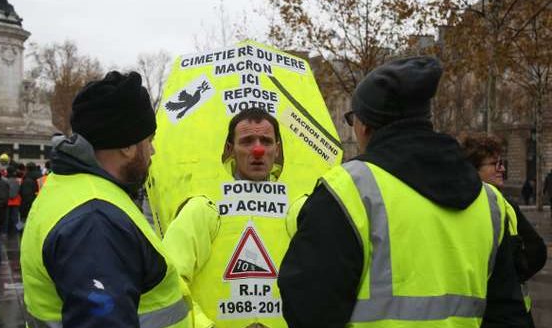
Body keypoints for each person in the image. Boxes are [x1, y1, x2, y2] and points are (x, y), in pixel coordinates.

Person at [278, 56, 512, 328]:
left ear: (364, 126)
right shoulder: (490, 201)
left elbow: (308, 308)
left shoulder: (349, 189)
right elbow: (508, 312)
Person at [21, 71, 190, 328]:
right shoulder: (95, 221)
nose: (153, 150)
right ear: (127, 146)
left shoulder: (70, 186)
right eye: (149, 140)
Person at [162, 108, 289, 328]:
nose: (258, 150)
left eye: (266, 141)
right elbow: (168, 280)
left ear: (277, 149)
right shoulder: (203, 210)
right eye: (247, 141)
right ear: (230, 149)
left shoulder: (297, 212)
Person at [461, 134, 547, 327]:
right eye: (495, 163)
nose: (502, 168)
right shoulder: (505, 205)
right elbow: (537, 253)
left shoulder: (460, 206)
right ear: (474, 169)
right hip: (510, 314)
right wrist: (512, 274)